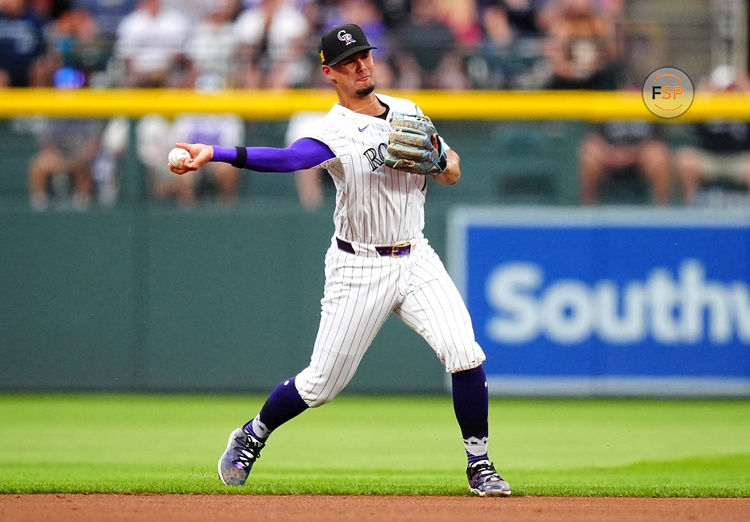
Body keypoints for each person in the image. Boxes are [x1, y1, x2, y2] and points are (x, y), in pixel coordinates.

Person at [170, 23, 511, 497]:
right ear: (330, 72)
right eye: (349, 61)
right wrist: (219, 153)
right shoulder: (334, 131)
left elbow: (451, 171)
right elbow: (289, 159)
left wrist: (435, 160)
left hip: (415, 255)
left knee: (465, 353)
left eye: (366, 56)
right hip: (359, 266)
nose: (362, 65)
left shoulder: (409, 110)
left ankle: (480, 464)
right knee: (320, 385)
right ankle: (253, 433)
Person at [674, 65, 750, 205]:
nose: (726, 92)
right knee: (685, 161)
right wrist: (703, 93)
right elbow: (688, 122)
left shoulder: (745, 102)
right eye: (721, 88)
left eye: (731, 88)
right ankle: (689, 211)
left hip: (740, 158)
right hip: (710, 157)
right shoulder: (706, 103)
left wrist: (745, 90)